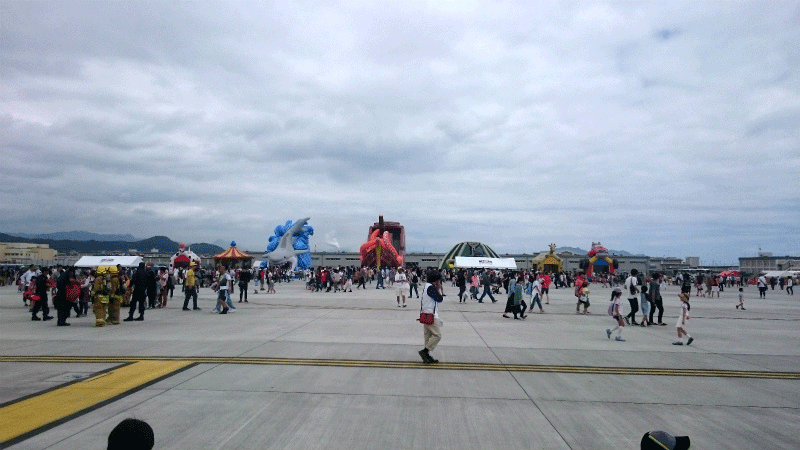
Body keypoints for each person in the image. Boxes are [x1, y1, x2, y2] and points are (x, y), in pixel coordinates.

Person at [418, 271, 443, 363]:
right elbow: (439, 299)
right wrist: (439, 289)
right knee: (437, 335)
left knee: (428, 337)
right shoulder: (431, 288)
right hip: (431, 315)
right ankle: (424, 352)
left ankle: (426, 356)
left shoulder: (427, 286)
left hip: (425, 314)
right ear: (436, 280)